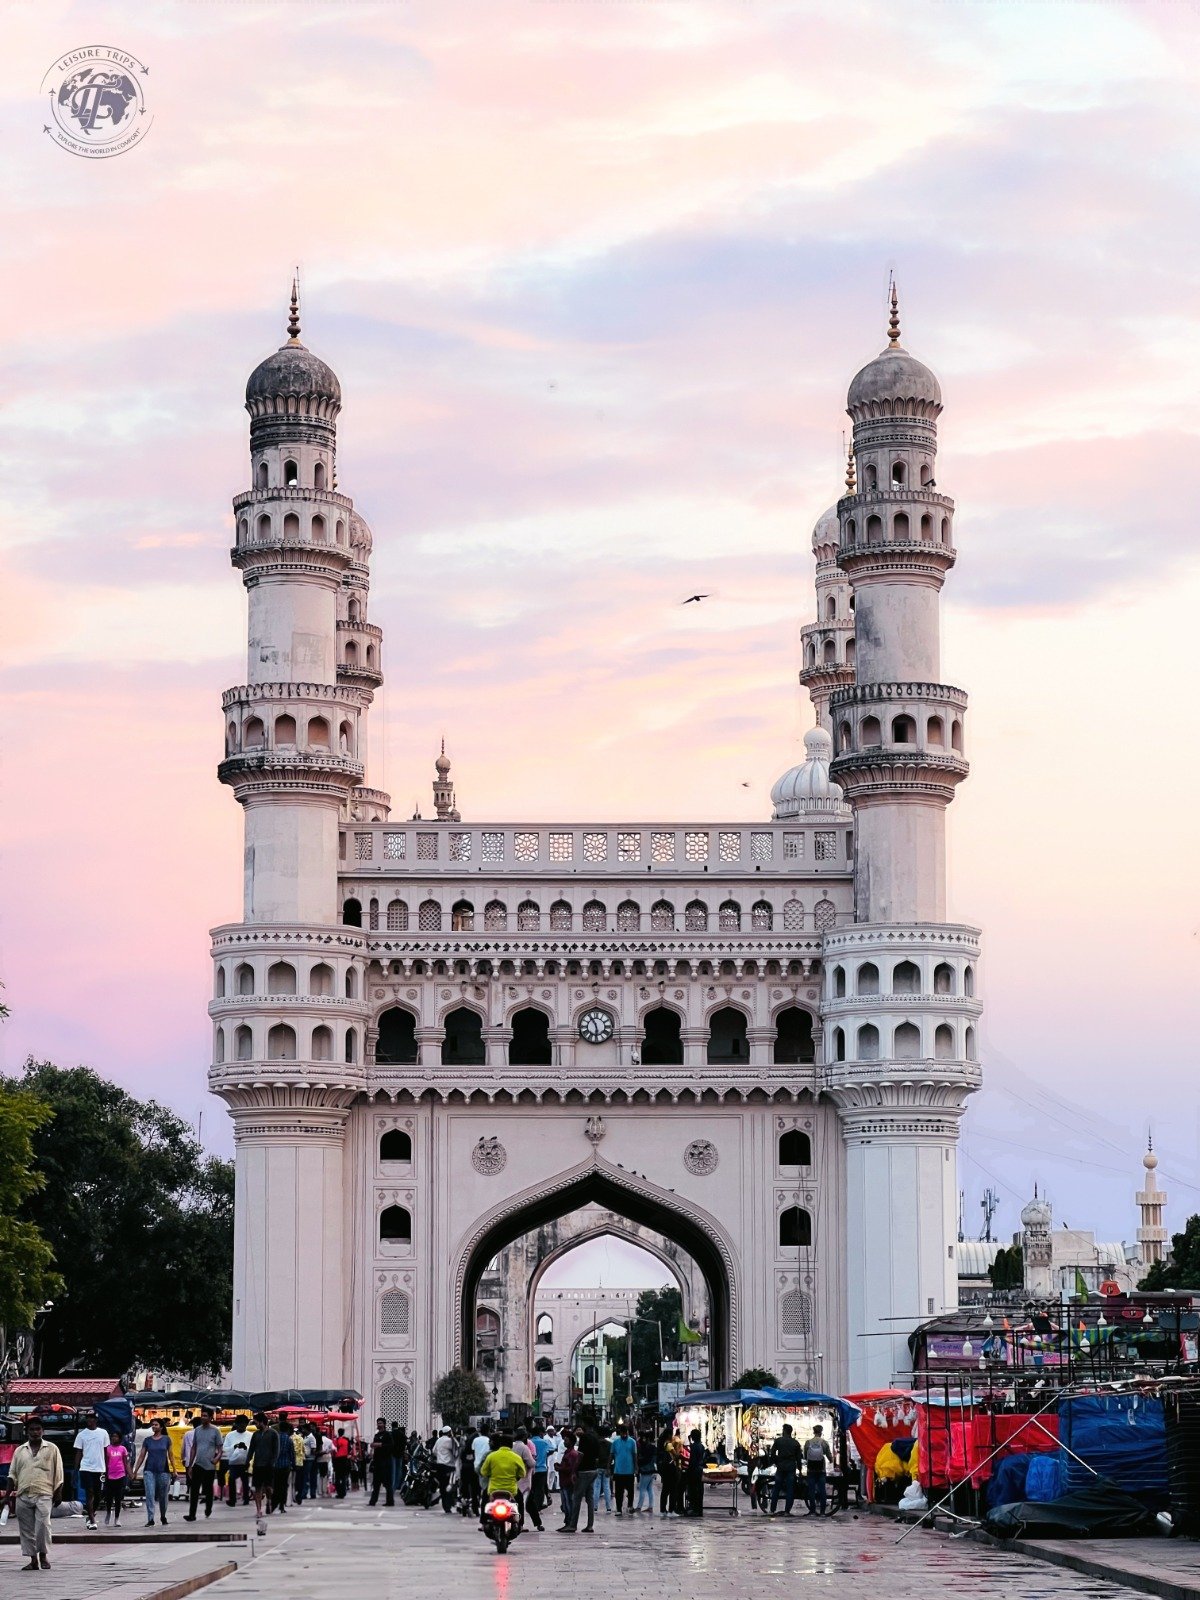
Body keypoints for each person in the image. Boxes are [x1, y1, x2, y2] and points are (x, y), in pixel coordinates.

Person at [6, 1416, 63, 1570]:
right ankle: (33, 1560)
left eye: (38, 1429)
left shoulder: (52, 1449)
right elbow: (12, 1474)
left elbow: (59, 1472)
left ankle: (43, 1556)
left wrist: (58, 1492)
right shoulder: (20, 1450)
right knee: (26, 1530)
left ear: (42, 1431)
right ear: (27, 1432)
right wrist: (6, 1498)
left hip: (44, 1493)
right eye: (32, 1429)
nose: (35, 1432)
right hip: (23, 1494)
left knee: (43, 1527)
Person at [558, 1423, 603, 1534]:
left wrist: (574, 1471)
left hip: (584, 1471)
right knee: (590, 1498)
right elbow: (598, 1455)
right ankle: (590, 1525)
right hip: (593, 1470)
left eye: (579, 1429)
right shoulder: (595, 1438)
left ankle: (572, 1525)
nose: (577, 1432)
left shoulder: (584, 1438)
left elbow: (580, 1456)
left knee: (576, 1498)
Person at [478, 1433, 526, 1529]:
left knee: (484, 1499)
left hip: (493, 1489)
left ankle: (484, 1523)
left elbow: (483, 1472)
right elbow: (522, 1474)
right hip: (511, 1490)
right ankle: (520, 1524)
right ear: (511, 1445)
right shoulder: (516, 1457)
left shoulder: (492, 1456)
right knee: (520, 1501)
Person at [183, 1407, 224, 1521]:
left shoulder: (216, 1431)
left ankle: (208, 1508)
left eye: (205, 1416)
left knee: (208, 1489)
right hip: (198, 1463)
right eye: (202, 1415)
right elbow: (194, 1448)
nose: (203, 1418)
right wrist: (190, 1465)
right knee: (194, 1490)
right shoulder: (197, 1430)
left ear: (211, 1417)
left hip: (210, 1465)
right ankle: (192, 1514)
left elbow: (220, 1449)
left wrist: (216, 1458)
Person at [135, 1418, 176, 1527]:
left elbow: (171, 1455)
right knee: (150, 1494)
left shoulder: (167, 1439)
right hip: (149, 1471)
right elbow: (141, 1456)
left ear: (161, 1427)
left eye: (156, 1425)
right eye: (152, 1425)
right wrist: (135, 1470)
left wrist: (174, 1469)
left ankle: (163, 1516)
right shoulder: (147, 1440)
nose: (153, 1426)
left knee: (163, 1496)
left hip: (164, 1471)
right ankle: (151, 1519)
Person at [73, 1409, 109, 1531]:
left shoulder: (103, 1433)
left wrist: (107, 1467)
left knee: (99, 1494)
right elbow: (78, 1453)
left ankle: (91, 1514)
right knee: (89, 1493)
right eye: (87, 1417)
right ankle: (92, 1521)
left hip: (100, 1468)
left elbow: (105, 1451)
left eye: (92, 1417)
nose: (89, 1420)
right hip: (86, 1467)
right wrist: (75, 1470)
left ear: (96, 1419)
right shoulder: (81, 1435)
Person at [247, 1412, 279, 1518]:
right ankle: (258, 1510)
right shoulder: (255, 1435)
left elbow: (276, 1450)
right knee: (258, 1488)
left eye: (256, 1423)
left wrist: (273, 1462)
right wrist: (247, 1460)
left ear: (262, 1422)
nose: (255, 1425)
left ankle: (269, 1500)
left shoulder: (273, 1433)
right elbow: (251, 1449)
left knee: (269, 1488)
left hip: (269, 1465)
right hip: (257, 1464)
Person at [768, 1423, 803, 1516]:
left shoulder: (778, 1441)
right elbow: (799, 1458)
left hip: (780, 1467)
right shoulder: (795, 1443)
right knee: (790, 1489)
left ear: (784, 1431)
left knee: (776, 1488)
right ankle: (787, 1510)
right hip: (791, 1467)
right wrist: (799, 1469)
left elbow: (772, 1453)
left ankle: (772, 1509)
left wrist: (775, 1461)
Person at [103, 1428, 131, 1526]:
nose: (114, 1438)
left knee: (118, 1498)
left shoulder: (123, 1449)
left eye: (116, 1436)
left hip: (120, 1475)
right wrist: (104, 1473)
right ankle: (108, 1513)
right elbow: (106, 1462)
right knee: (109, 1498)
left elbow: (125, 1462)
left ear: (120, 1438)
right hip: (110, 1476)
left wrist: (129, 1473)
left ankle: (117, 1518)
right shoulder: (108, 1449)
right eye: (113, 1436)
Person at [222, 1417, 252, 1509]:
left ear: (246, 1425)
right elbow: (225, 1448)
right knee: (231, 1480)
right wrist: (234, 1447)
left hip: (245, 1461)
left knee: (245, 1481)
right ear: (236, 1424)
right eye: (240, 1424)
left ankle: (246, 1498)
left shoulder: (250, 1435)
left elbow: (253, 1448)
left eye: (244, 1424)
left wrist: (245, 1447)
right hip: (233, 1462)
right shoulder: (230, 1435)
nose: (242, 1426)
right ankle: (232, 1499)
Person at [528, 1423, 552, 1532]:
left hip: (531, 1470)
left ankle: (532, 1505)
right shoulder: (545, 1442)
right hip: (542, 1469)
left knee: (531, 1489)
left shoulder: (529, 1442)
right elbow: (552, 1449)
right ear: (541, 1433)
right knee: (540, 1489)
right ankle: (538, 1507)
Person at [803, 1425, 833, 1515]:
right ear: (821, 1432)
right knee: (822, 1490)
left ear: (813, 1432)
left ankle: (812, 1510)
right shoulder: (824, 1442)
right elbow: (829, 1457)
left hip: (811, 1469)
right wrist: (831, 1460)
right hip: (821, 1470)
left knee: (811, 1490)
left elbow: (805, 1456)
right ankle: (822, 1512)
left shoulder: (808, 1442)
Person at [512, 1428, 538, 1529]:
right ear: (524, 1437)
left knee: (523, 1502)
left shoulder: (512, 1447)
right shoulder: (524, 1448)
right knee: (522, 1503)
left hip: (513, 1479)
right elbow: (531, 1463)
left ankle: (537, 1522)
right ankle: (520, 1524)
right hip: (523, 1479)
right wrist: (534, 1460)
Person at [610, 1424, 636, 1516]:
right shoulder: (615, 1442)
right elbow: (611, 1455)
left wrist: (636, 1468)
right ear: (619, 1433)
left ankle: (630, 1506)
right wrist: (608, 1467)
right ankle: (619, 1509)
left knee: (630, 1490)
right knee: (618, 1492)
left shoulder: (632, 1442)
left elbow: (634, 1455)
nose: (624, 1435)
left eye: (626, 1433)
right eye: (622, 1433)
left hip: (630, 1470)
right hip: (618, 1470)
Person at [368, 1417, 394, 1507]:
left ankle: (390, 1501)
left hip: (385, 1462)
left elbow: (391, 1446)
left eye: (380, 1423)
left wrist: (380, 1444)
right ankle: (372, 1501)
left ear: (384, 1424)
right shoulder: (377, 1435)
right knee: (376, 1484)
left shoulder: (387, 1435)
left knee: (387, 1483)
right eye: (378, 1423)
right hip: (377, 1462)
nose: (379, 1425)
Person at [432, 1425, 457, 1513]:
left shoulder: (438, 1440)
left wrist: (440, 1456)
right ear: (449, 1432)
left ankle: (445, 1505)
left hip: (440, 1466)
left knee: (442, 1486)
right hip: (449, 1466)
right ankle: (449, 1505)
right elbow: (455, 1451)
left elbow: (434, 1451)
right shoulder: (449, 1440)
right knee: (449, 1486)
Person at [273, 1419, 295, 1513]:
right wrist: (293, 1465)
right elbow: (291, 1454)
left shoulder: (275, 1437)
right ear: (287, 1429)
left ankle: (274, 1503)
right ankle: (282, 1506)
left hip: (275, 1465)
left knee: (276, 1485)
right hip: (286, 1466)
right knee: (284, 1485)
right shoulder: (289, 1440)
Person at [556, 1429, 578, 1523]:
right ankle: (568, 1521)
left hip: (568, 1481)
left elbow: (570, 1469)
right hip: (564, 1481)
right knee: (565, 1503)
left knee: (569, 1503)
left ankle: (570, 1522)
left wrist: (560, 1468)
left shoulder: (572, 1454)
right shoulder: (567, 1452)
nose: (564, 1442)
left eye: (566, 1440)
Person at [684, 1428, 706, 1517]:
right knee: (699, 1490)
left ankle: (694, 1509)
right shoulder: (701, 1446)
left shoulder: (693, 1447)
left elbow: (691, 1460)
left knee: (693, 1490)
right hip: (699, 1469)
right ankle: (699, 1509)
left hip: (693, 1470)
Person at [634, 1429, 657, 1514]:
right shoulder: (654, 1447)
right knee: (649, 1488)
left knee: (642, 1489)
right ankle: (650, 1507)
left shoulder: (646, 1448)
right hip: (652, 1470)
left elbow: (643, 1459)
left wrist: (639, 1464)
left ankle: (639, 1507)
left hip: (646, 1470)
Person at [458, 1427, 479, 1515]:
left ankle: (465, 1505)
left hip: (465, 1470)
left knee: (465, 1488)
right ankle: (475, 1508)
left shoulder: (464, 1448)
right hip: (473, 1470)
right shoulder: (475, 1446)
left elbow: (461, 1459)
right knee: (475, 1490)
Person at [332, 1429, 351, 1499]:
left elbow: (333, 1450)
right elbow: (349, 1449)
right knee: (343, 1477)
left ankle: (339, 1492)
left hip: (337, 1460)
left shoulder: (335, 1440)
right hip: (344, 1459)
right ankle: (343, 1492)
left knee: (337, 1477)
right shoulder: (347, 1440)